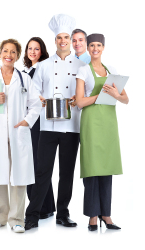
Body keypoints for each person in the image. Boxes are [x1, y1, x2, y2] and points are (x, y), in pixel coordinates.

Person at [25, 14, 86, 230]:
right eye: (59, 37)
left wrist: (77, 100)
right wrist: (39, 99)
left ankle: (63, 213)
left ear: (71, 39)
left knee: (66, 172)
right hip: (48, 126)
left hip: (72, 126)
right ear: (55, 40)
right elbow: (33, 92)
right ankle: (32, 215)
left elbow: (85, 94)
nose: (63, 41)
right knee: (42, 171)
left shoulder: (81, 66)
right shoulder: (43, 66)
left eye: (66, 37)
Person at [0, 39, 41, 233]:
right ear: (0, 53)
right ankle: (0, 216)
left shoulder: (24, 78)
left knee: (19, 176)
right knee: (0, 174)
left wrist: (27, 121)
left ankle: (17, 219)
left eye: (13, 52)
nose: (9, 55)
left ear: (17, 55)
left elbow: (36, 104)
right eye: (6, 51)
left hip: (18, 132)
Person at [76, 33, 128, 231]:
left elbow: (125, 99)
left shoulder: (111, 70)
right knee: (92, 168)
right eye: (92, 45)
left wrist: (115, 94)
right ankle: (92, 216)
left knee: (106, 168)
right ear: (88, 48)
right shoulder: (83, 71)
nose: (95, 48)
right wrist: (99, 95)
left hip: (108, 124)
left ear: (103, 47)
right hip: (90, 123)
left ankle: (106, 215)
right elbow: (80, 102)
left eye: (98, 45)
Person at [23, 37, 55, 219]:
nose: (33, 52)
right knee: (31, 162)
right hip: (27, 120)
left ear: (42, 51)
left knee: (37, 164)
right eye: (30, 48)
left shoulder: (44, 69)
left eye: (36, 49)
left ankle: (43, 206)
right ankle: (45, 205)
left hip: (39, 122)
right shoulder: (25, 71)